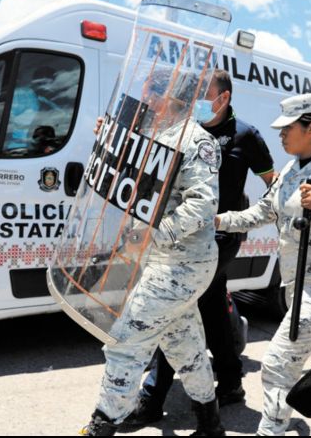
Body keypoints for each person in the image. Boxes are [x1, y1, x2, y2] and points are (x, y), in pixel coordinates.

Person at [125, 69, 276, 426]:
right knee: (209, 306)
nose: (195, 102)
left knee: (174, 305)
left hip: (219, 239)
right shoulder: (182, 131)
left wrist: (243, 220)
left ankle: (151, 399)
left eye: (204, 95)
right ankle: (232, 381)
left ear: (223, 98)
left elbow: (273, 185)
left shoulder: (245, 136)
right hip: (180, 235)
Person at [80, 73, 226, 436]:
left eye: (150, 92)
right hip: (161, 260)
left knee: (126, 340)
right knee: (184, 344)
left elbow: (203, 204)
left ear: (169, 97)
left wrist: (154, 234)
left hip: (183, 261)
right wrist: (110, 139)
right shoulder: (154, 136)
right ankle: (211, 423)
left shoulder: (197, 142)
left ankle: (103, 424)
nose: (143, 99)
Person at [216, 92, 311, 436]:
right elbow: (264, 211)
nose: (280, 135)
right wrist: (218, 221)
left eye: (287, 128)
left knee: (277, 367)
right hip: (295, 288)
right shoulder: (291, 169)